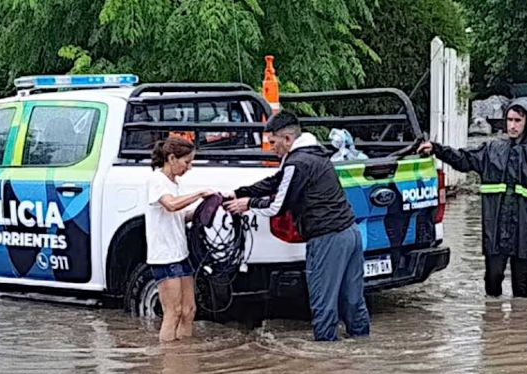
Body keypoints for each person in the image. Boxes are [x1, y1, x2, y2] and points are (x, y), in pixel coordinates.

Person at [223, 112, 370, 341]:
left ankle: (325, 361)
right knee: (353, 300)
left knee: (323, 304)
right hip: (351, 233)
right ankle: (362, 346)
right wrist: (241, 191)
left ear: (288, 139)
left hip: (326, 238)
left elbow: (277, 207)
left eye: (273, 143)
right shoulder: (316, 154)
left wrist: (247, 204)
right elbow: (278, 181)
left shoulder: (296, 163)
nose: (271, 148)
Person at [418, 103, 527, 298]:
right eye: (509, 120)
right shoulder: (492, 150)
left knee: (521, 287)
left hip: (526, 231)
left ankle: (519, 326)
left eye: (518, 121)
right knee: (492, 280)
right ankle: (493, 322)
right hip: (495, 230)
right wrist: (436, 149)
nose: (513, 125)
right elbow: (463, 159)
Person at [145, 137, 214, 342]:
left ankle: (182, 358)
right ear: (172, 158)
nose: (189, 167)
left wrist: (206, 208)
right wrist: (200, 194)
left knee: (188, 310)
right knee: (172, 312)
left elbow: (178, 215)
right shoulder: (157, 180)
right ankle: (168, 362)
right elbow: (171, 205)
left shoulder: (173, 183)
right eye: (187, 162)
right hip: (164, 256)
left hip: (180, 253)